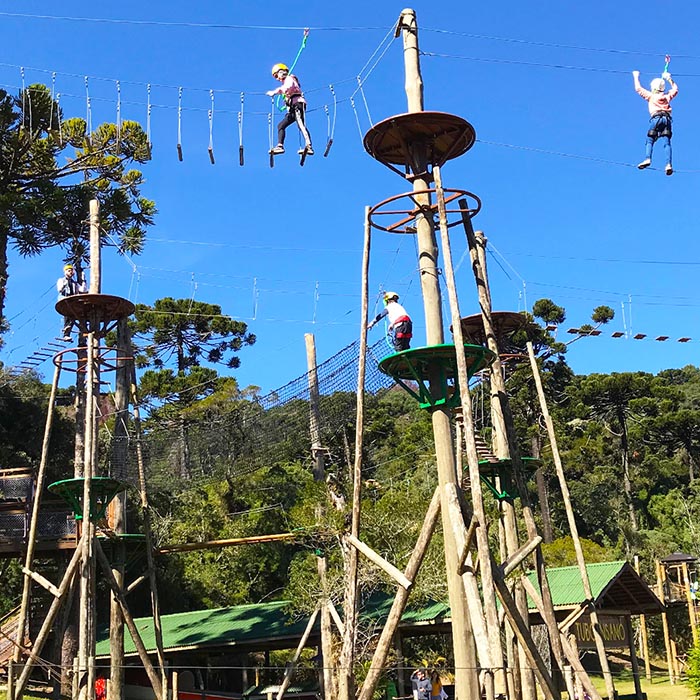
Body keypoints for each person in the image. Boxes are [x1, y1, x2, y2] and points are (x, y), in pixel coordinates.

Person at [632, 70, 678, 175]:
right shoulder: (667, 97)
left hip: (656, 118)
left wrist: (636, 76)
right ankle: (668, 164)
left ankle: (648, 158)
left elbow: (638, 89)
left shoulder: (651, 96)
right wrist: (669, 79)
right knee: (667, 143)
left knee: (650, 140)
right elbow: (675, 89)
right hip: (667, 120)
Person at [266, 63, 313, 156]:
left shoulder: (289, 79)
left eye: (277, 75)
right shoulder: (286, 82)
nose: (277, 78)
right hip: (292, 107)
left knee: (301, 124)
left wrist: (274, 92)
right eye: (275, 76)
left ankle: (309, 146)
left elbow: (288, 87)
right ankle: (280, 146)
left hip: (298, 104)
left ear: (282, 72)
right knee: (281, 126)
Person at [56, 263, 87, 340]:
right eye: (69, 271)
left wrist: (83, 279)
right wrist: (65, 284)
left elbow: (83, 290)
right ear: (65, 272)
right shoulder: (61, 280)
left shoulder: (74, 283)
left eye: (71, 271)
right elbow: (59, 289)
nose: (70, 272)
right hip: (65, 299)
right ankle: (66, 332)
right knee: (68, 313)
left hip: (73, 301)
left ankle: (73, 333)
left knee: (73, 315)